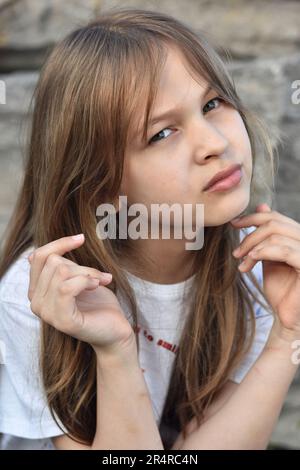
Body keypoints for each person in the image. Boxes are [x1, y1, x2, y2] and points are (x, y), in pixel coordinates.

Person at [0, 8, 299, 450]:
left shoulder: (256, 267)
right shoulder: (43, 293)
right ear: (101, 184)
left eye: (213, 104)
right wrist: (116, 352)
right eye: (162, 133)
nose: (215, 143)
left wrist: (288, 334)